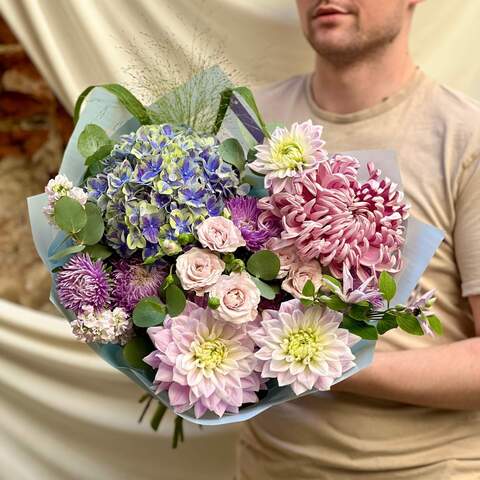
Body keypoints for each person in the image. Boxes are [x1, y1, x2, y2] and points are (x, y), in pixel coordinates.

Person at [236, 1, 480, 478]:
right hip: (269, 464)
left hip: (423, 468)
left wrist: (315, 360)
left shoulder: (465, 139)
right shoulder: (250, 124)